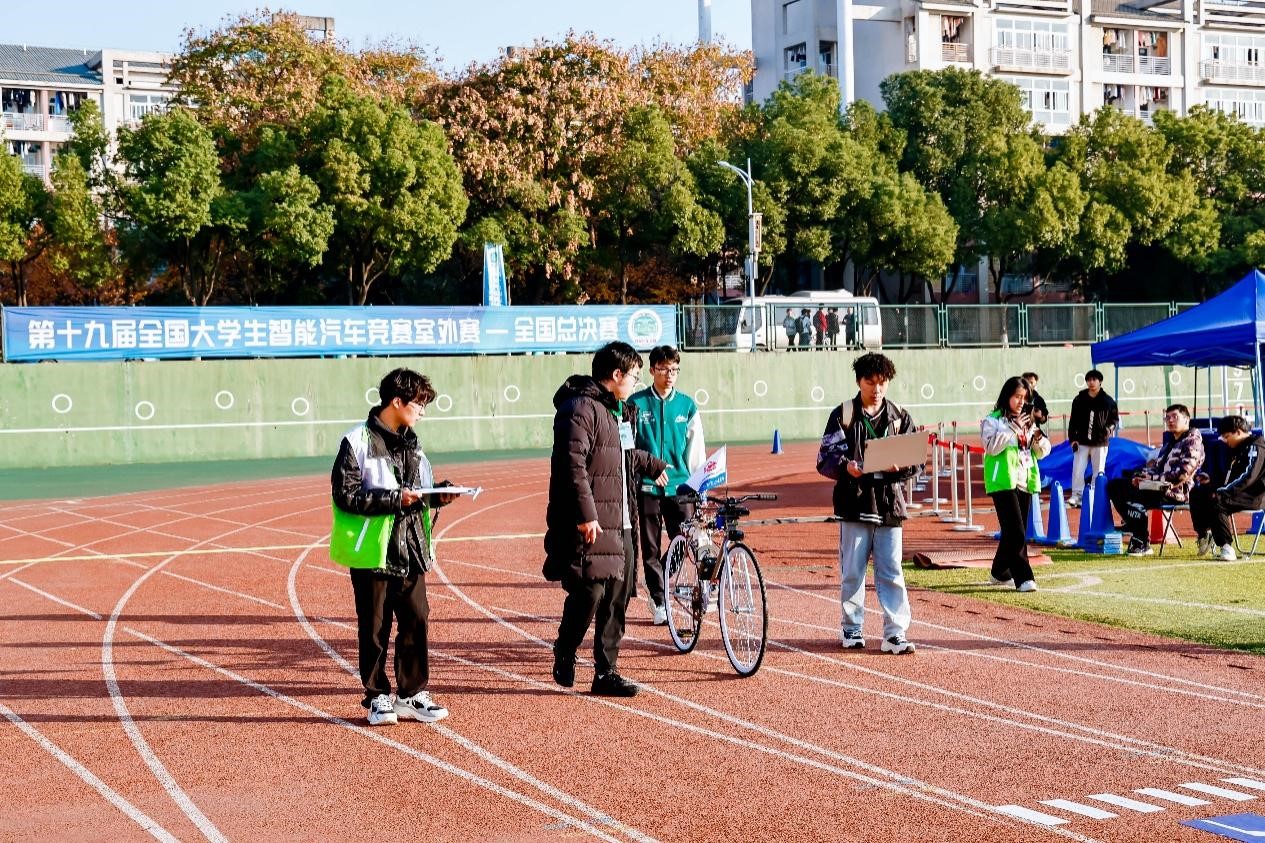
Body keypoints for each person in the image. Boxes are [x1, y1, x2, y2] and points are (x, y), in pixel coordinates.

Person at [332, 368, 457, 726]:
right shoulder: (356, 441)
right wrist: (393, 500)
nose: (422, 411)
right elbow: (346, 495)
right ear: (397, 402)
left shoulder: (413, 443)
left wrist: (440, 495)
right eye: (418, 404)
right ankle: (376, 697)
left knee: (417, 619)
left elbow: (419, 491)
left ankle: (411, 693)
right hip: (373, 550)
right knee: (374, 626)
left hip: (411, 546)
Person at [544, 341, 669, 697]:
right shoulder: (579, 408)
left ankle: (606, 671)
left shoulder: (620, 411)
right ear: (616, 375)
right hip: (594, 521)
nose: (636, 381)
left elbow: (623, 455)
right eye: (634, 375)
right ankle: (565, 649)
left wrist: (652, 464)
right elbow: (573, 465)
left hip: (623, 519)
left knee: (618, 596)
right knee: (590, 591)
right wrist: (586, 515)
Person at [815, 352, 919, 654]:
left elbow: (916, 461)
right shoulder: (844, 414)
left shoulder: (899, 416)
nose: (876, 388)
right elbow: (825, 458)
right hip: (855, 502)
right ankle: (851, 629)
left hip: (889, 505)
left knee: (892, 570)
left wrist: (902, 466)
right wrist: (847, 465)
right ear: (859, 382)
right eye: (870, 382)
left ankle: (895, 634)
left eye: (882, 382)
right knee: (852, 570)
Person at [630, 346, 706, 625]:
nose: (670, 375)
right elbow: (628, 447)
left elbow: (696, 450)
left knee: (684, 542)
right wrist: (644, 471)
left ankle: (659, 580)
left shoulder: (687, 405)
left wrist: (698, 485)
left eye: (674, 369)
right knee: (649, 548)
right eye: (664, 369)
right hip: (648, 487)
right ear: (652, 370)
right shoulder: (636, 403)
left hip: (680, 488)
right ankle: (659, 600)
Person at [981, 376, 1052, 592]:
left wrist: (1039, 440)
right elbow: (991, 447)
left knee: (1012, 532)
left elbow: (1042, 452)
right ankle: (1024, 578)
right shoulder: (992, 420)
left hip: (1024, 479)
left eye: (1024, 398)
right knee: (1017, 531)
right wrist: (1012, 429)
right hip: (1002, 481)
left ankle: (999, 572)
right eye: (1017, 397)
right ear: (1007, 396)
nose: (1021, 402)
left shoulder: (1028, 422)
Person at [1106, 403, 1204, 557]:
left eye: (1174, 417)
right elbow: (1157, 469)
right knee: (1115, 486)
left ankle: (1139, 538)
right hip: (1157, 486)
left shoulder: (1192, 442)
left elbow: (1182, 475)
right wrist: (1142, 476)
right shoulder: (1170, 443)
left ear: (1186, 420)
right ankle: (1136, 532)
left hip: (1176, 492)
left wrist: (1151, 478)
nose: (1170, 420)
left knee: (1136, 496)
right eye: (1168, 417)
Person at [1189, 415, 1265, 561]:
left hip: (1254, 495)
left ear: (1238, 431)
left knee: (1217, 500)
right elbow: (1229, 475)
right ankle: (1204, 534)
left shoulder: (1255, 446)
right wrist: (1212, 481)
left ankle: (1226, 547)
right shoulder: (1236, 447)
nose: (1224, 440)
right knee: (1197, 493)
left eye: (1226, 436)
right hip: (1235, 492)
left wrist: (1222, 491)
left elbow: (1248, 476)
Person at [1066, 369, 1118, 507]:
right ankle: (1077, 495)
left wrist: (1108, 430)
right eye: (1089, 380)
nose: (1091, 382)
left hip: (1100, 443)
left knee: (1098, 471)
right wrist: (1072, 439)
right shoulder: (1079, 399)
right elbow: (1073, 421)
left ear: (1100, 382)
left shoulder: (1108, 401)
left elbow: (1114, 420)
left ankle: (1095, 496)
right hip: (1081, 441)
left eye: (1094, 380)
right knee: (1077, 469)